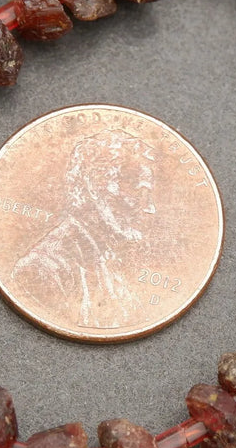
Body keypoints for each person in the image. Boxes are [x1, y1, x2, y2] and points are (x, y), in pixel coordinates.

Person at [11, 127, 157, 329]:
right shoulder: (42, 268)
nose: (149, 208)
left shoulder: (111, 262)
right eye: (137, 189)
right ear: (94, 185)